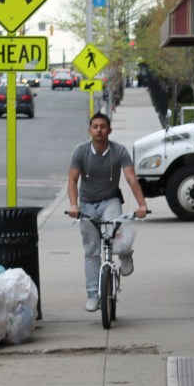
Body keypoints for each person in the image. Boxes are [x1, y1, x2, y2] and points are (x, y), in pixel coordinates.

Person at [66, 112, 148, 312]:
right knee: (91, 250)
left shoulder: (119, 151)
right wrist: (74, 205)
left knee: (116, 235)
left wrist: (141, 205)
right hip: (86, 203)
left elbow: (131, 178)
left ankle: (125, 253)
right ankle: (93, 294)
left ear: (109, 130)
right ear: (90, 130)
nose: (99, 130)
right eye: (95, 126)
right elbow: (72, 180)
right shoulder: (81, 152)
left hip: (110, 201)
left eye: (103, 126)